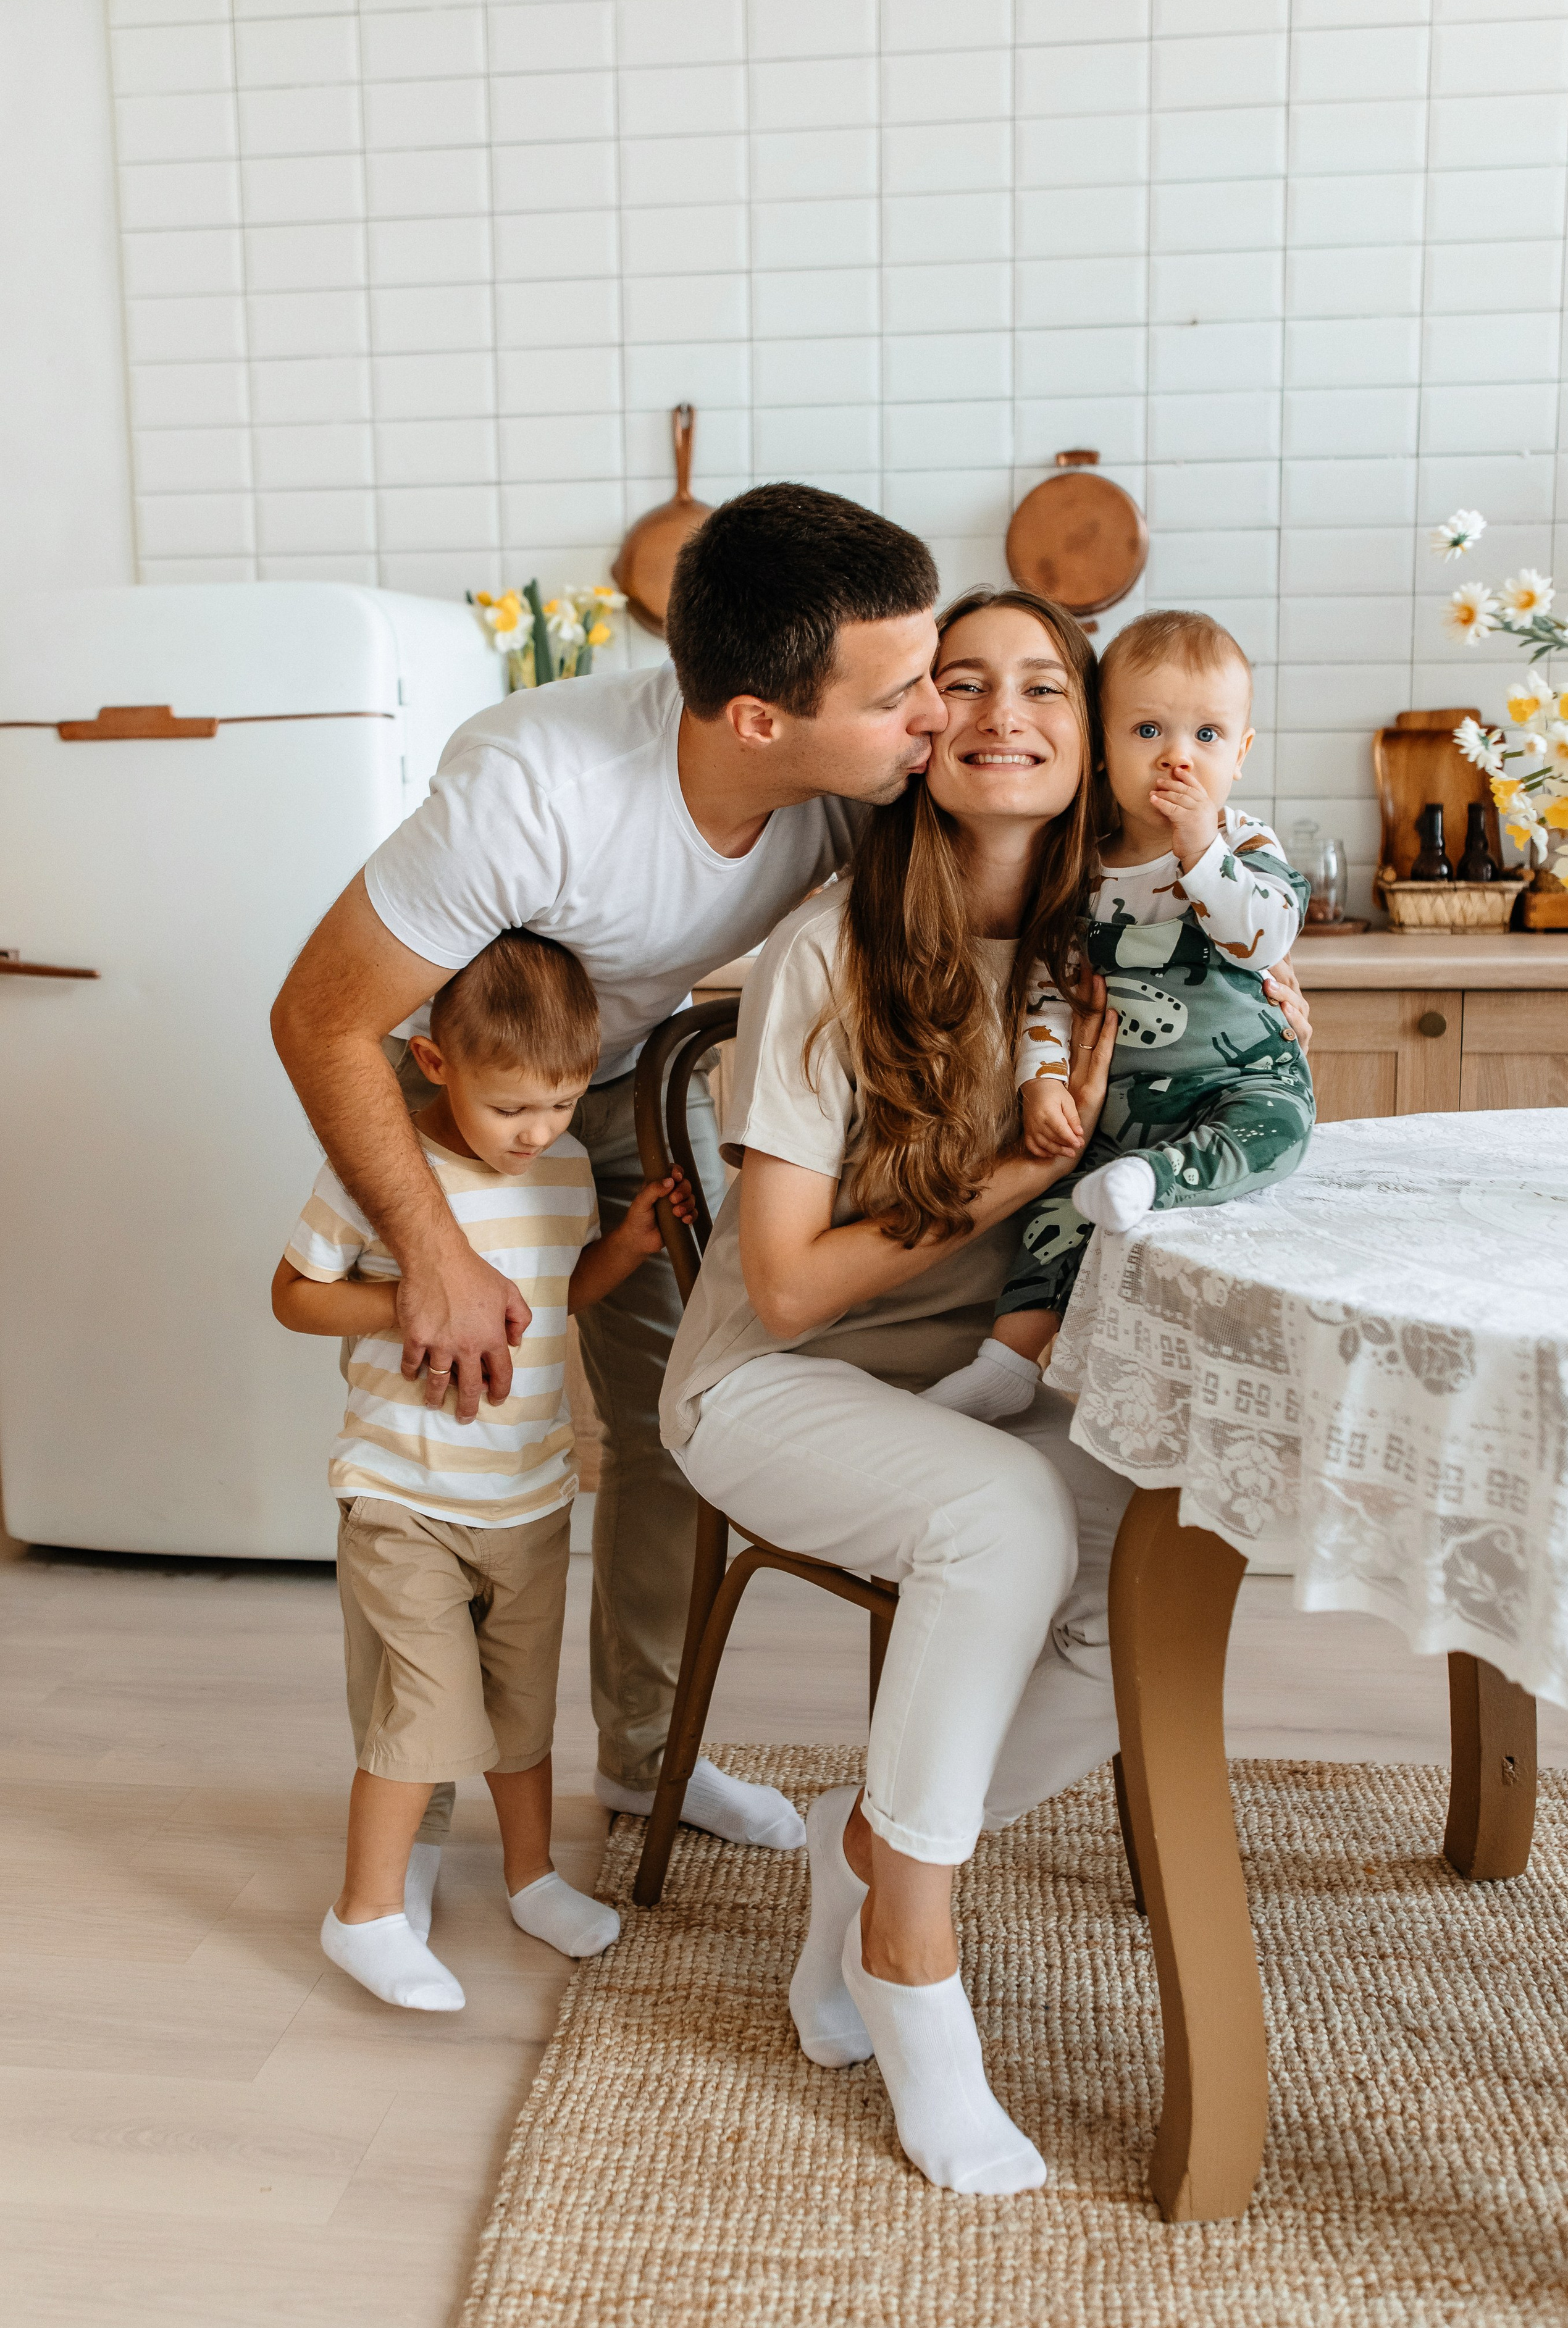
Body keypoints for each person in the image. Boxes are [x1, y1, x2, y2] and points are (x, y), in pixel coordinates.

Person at [270, 481, 1315, 1888]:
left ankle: (646, 1757)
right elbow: (324, 1019)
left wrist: (1240, 973)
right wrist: (437, 1250)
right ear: (769, 721)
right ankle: (423, 1798)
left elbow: (1035, 863)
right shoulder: (536, 793)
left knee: (647, 1430)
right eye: (914, 693)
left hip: (635, 1086)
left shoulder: (864, 790)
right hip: (488, 1094)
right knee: (457, 1432)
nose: (944, 719)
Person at [660, 589, 1136, 2195]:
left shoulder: (1116, 957)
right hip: (776, 1380)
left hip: (976, 1379)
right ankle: (915, 1969)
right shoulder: (828, 952)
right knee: (1002, 1516)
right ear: (919, 732)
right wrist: (1015, 1164)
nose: (1005, 712)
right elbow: (785, 1283)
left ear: (1086, 732)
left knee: (1165, 1542)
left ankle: (861, 1860)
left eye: (1045, 687)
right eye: (964, 683)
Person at [272, 931, 695, 2011]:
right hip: (403, 1491)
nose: (537, 1132)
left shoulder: (557, 1168)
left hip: (530, 1494)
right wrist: (407, 1302)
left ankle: (530, 1876)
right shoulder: (377, 1176)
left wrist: (628, 1248)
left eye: (558, 1104)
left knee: (518, 1712)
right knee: (423, 1703)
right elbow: (295, 1296)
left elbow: (558, 1293)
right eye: (512, 1108)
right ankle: (362, 1912)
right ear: (434, 1062)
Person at [926, 607, 1315, 1424]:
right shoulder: (1080, 869)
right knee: (1055, 1211)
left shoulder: (1245, 846)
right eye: (1149, 729)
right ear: (1104, 751)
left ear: (1241, 756)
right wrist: (1042, 1081)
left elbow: (1261, 936)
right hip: (1121, 1110)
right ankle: (1006, 1361)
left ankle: (1161, 1180)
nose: (1180, 756)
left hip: (1239, 1085)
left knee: (1277, 1131)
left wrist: (1199, 847)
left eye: (1209, 736)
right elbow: (1046, 986)